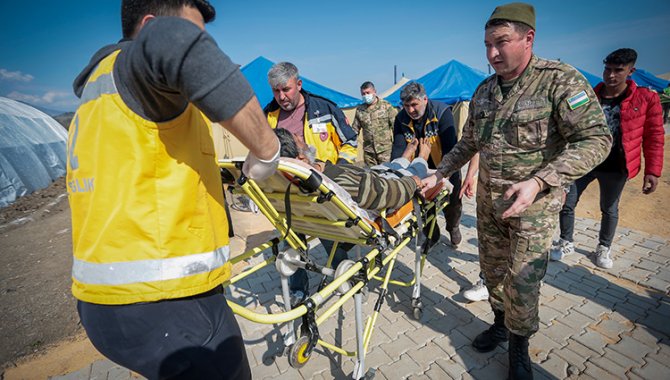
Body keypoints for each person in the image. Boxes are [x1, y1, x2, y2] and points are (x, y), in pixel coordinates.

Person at [67, 1, 280, 379]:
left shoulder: (100, 95)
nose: (200, 42)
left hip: (106, 305)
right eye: (196, 31)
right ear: (149, 27)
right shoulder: (135, 67)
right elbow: (177, 42)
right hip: (168, 304)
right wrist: (267, 147)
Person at [419, 3, 611, 379]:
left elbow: (596, 139)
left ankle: (520, 349)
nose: (492, 53)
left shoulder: (559, 81)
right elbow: (468, 142)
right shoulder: (485, 90)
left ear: (528, 38)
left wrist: (540, 180)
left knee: (522, 282)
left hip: (533, 209)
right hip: (491, 205)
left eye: (501, 42)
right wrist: (440, 172)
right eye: (487, 44)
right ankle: (500, 323)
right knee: (492, 273)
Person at [276, 127, 435, 304]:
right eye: (298, 137)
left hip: (369, 176)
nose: (302, 137)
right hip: (379, 186)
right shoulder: (337, 182)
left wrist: (318, 165)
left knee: (389, 167)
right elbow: (388, 194)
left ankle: (405, 157)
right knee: (411, 171)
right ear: (301, 158)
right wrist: (413, 182)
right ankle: (422, 157)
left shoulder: (285, 186)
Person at [551, 48, 664, 268]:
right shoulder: (588, 95)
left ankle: (603, 248)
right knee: (567, 202)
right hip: (584, 162)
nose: (611, 75)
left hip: (617, 165)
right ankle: (566, 242)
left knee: (609, 208)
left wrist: (652, 171)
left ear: (631, 71)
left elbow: (655, 136)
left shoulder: (646, 98)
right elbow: (566, 123)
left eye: (618, 70)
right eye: (607, 69)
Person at [391, 82, 465, 248]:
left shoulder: (442, 112)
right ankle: (432, 234)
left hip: (445, 165)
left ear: (425, 99)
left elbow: (451, 149)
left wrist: (441, 175)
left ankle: (453, 226)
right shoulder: (400, 119)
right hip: (418, 169)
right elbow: (397, 150)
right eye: (406, 106)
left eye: (414, 105)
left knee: (453, 203)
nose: (410, 110)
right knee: (420, 206)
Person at [265, 62, 358, 164]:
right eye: (276, 91)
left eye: (286, 89)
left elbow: (350, 142)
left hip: (324, 177)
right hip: (284, 177)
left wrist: (339, 168)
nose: (281, 96)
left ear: (299, 85)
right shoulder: (267, 115)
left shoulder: (325, 109)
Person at [352, 81, 399, 165]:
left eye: (368, 93)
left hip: (385, 151)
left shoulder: (386, 106)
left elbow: (396, 127)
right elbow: (355, 130)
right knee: (372, 176)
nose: (366, 96)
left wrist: (398, 147)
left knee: (387, 175)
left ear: (374, 92)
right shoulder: (360, 110)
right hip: (369, 153)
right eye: (363, 94)